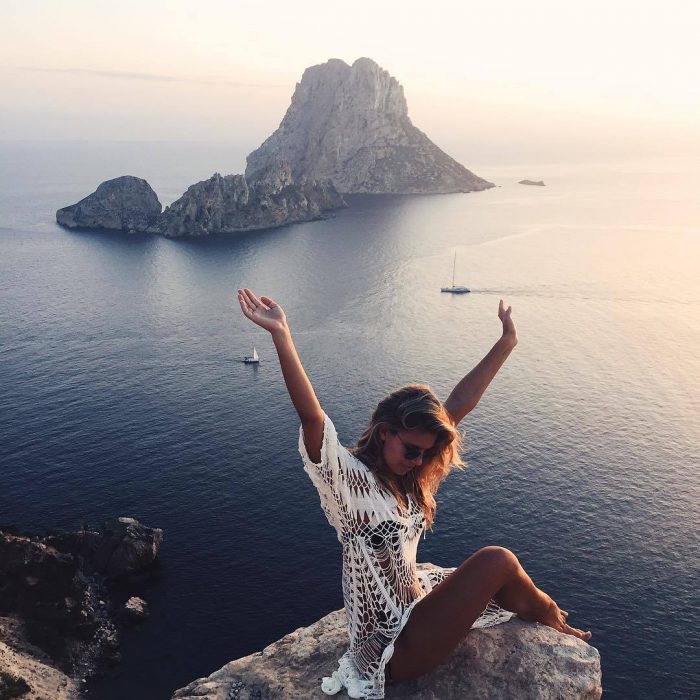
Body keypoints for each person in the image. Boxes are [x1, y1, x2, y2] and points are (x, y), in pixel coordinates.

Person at [237, 287, 592, 699]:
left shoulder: (413, 476)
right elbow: (312, 417)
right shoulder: (349, 485)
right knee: (498, 560)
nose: (419, 461)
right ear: (385, 431)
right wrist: (282, 334)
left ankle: (546, 615)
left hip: (415, 606)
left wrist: (506, 342)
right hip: (393, 647)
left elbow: (457, 404)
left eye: (426, 453)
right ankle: (551, 614)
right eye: (411, 450)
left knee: (505, 580)